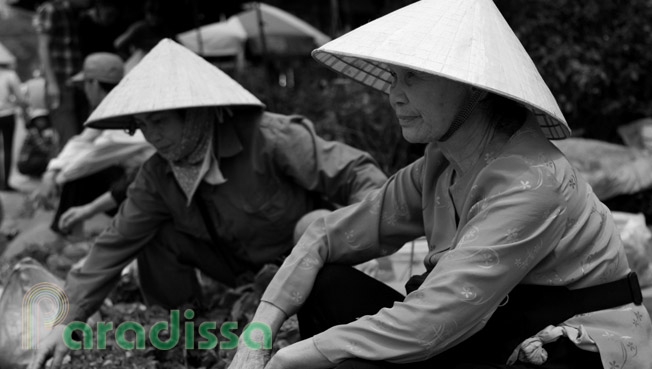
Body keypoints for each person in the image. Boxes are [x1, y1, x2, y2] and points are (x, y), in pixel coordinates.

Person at [229, 1, 652, 369]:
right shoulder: (441, 165)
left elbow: (432, 318)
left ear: (475, 89)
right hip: (488, 327)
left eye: (412, 77)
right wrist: (260, 331)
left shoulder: (533, 181)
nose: (393, 94)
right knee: (329, 287)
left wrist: (289, 357)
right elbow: (328, 235)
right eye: (393, 77)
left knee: (354, 362)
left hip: (564, 343)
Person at [29, 39, 387, 369]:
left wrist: (361, 241)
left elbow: (358, 173)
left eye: (159, 122)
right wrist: (67, 320)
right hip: (233, 268)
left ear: (196, 113)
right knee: (152, 232)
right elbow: (113, 243)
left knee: (314, 222)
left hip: (296, 266)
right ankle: (184, 329)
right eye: (142, 125)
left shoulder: (268, 137)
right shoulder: (157, 175)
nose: (152, 136)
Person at [31, 52, 154, 236]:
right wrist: (51, 173)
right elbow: (81, 142)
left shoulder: (122, 119)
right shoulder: (108, 110)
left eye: (84, 85)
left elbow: (88, 159)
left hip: (147, 192)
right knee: (76, 172)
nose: (84, 92)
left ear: (94, 84)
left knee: (78, 174)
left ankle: (70, 233)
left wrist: (54, 181)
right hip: (133, 183)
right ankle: (70, 232)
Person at [33, 0, 90, 145]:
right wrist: (52, 83)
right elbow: (43, 47)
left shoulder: (73, 13)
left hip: (77, 83)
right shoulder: (51, 9)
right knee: (68, 137)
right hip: (60, 83)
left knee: (81, 135)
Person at [0, 52, 26, 191]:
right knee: (7, 148)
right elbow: (20, 98)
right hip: (7, 114)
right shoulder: (10, 75)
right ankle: (6, 183)